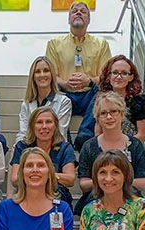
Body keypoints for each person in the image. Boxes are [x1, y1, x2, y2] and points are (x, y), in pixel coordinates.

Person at [46, 1, 111, 149]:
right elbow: (51, 74)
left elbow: (106, 75)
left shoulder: (101, 44)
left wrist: (89, 81)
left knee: (104, 90)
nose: (78, 13)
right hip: (64, 93)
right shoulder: (54, 44)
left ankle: (85, 135)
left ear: (89, 20)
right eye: (74, 11)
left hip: (90, 95)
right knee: (51, 88)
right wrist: (65, 83)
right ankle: (64, 139)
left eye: (83, 11)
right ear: (69, 19)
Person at [74, 91, 145, 216]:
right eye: (103, 113)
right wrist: (108, 184)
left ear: (122, 114)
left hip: (130, 200)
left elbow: (142, 182)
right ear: (97, 118)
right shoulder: (89, 146)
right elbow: (84, 184)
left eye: (113, 111)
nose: (109, 117)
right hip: (96, 200)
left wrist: (115, 184)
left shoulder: (135, 145)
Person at [11, 106, 76, 208]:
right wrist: (50, 176)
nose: (44, 126)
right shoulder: (22, 146)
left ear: (55, 125)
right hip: (28, 192)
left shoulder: (65, 147)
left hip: (56, 194)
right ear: (33, 126)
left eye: (49, 122)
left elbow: (70, 179)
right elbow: (15, 179)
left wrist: (41, 175)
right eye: (39, 122)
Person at [15, 56, 72, 143]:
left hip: (55, 148)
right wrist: (18, 145)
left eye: (46, 71)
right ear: (33, 77)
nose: (42, 75)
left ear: (52, 75)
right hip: (31, 149)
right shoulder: (26, 104)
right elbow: (23, 133)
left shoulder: (64, 102)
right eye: (37, 71)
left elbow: (60, 134)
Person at [98, 54, 145, 142]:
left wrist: (121, 146)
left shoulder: (139, 100)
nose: (118, 77)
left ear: (131, 77)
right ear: (109, 75)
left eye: (124, 73)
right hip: (106, 149)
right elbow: (98, 131)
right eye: (115, 73)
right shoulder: (101, 98)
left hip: (131, 147)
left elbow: (142, 135)